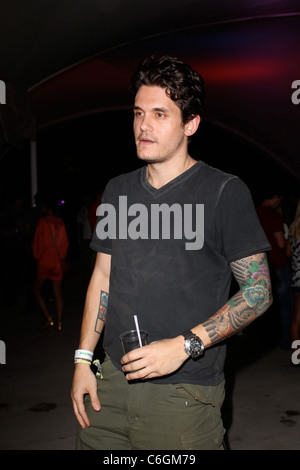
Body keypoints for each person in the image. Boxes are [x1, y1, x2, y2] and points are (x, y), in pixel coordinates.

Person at [71, 55, 272, 450]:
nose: (143, 125)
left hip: (183, 392)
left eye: (160, 114)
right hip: (108, 384)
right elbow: (102, 278)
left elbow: (259, 291)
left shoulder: (224, 193)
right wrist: (82, 360)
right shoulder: (117, 191)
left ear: (190, 124)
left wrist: (184, 345)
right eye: (138, 113)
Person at [256, 190, 293, 348]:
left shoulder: (253, 212)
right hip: (277, 264)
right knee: (285, 303)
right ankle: (285, 341)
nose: (280, 201)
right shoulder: (274, 215)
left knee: (261, 305)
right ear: (275, 196)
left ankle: (262, 341)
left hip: (257, 266)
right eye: (279, 197)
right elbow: (280, 243)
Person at [32, 197, 69, 330]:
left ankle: (48, 317)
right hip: (57, 261)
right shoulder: (60, 223)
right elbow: (64, 244)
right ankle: (59, 322)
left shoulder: (42, 222)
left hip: (45, 260)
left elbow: (37, 242)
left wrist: (37, 256)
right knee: (58, 292)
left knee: (36, 289)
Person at [289, 200, 300, 349]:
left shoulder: (293, 228)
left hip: (297, 278)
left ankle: (296, 354)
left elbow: (287, 252)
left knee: (297, 318)